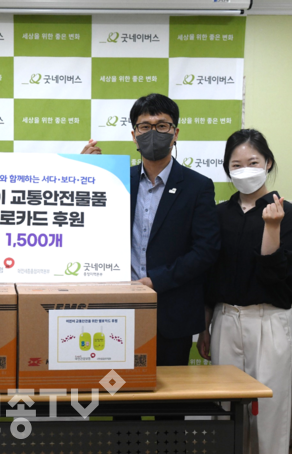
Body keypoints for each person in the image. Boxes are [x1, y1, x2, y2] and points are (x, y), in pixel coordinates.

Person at [83, 93, 220, 367]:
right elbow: (86, 227)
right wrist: (89, 173)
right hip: (117, 309)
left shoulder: (198, 186)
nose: (153, 133)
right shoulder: (118, 181)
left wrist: (155, 281)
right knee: (117, 389)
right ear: (134, 136)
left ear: (175, 133)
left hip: (173, 312)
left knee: (169, 394)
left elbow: (206, 251)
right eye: (145, 126)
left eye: (162, 126)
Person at [197, 129, 292, 454]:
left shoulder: (286, 213)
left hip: (269, 321)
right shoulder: (218, 214)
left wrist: (272, 227)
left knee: (270, 410)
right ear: (227, 169)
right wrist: (205, 327)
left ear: (267, 163)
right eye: (236, 164)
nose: (245, 170)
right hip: (226, 320)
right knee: (224, 408)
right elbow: (209, 277)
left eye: (253, 162)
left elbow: (275, 275)